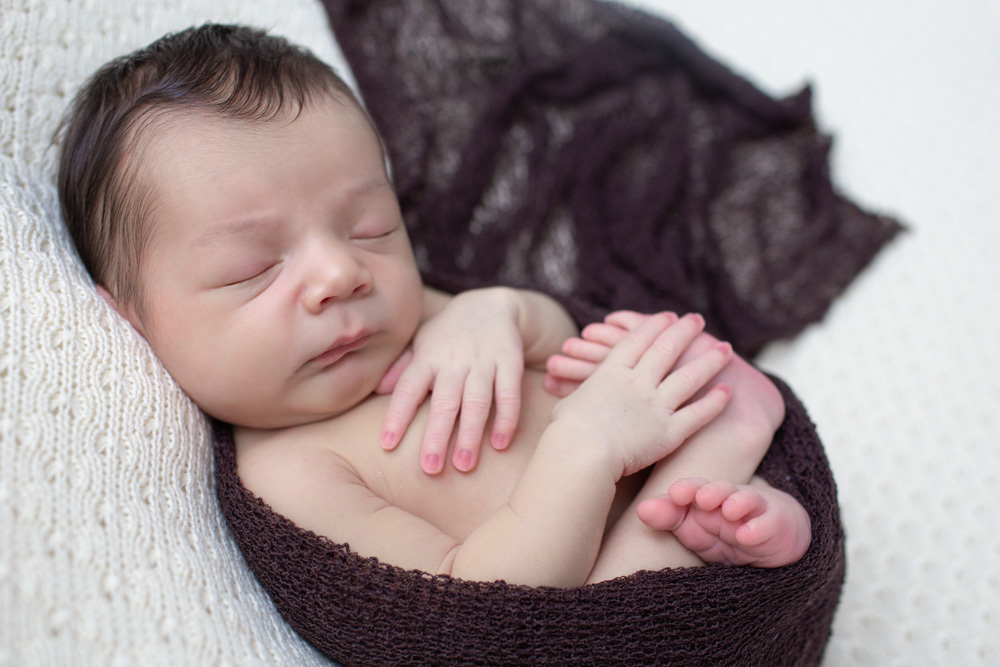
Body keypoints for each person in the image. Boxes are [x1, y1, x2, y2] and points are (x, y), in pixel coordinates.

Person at [58, 24, 810, 587]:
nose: (339, 272)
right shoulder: (294, 472)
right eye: (254, 269)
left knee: (652, 356)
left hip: (655, 461)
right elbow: (475, 599)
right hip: (598, 585)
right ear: (133, 317)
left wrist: (497, 312)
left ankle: (740, 491)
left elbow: (560, 339)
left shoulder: (411, 318)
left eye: (370, 228)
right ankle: (730, 460)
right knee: (633, 578)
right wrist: (585, 447)